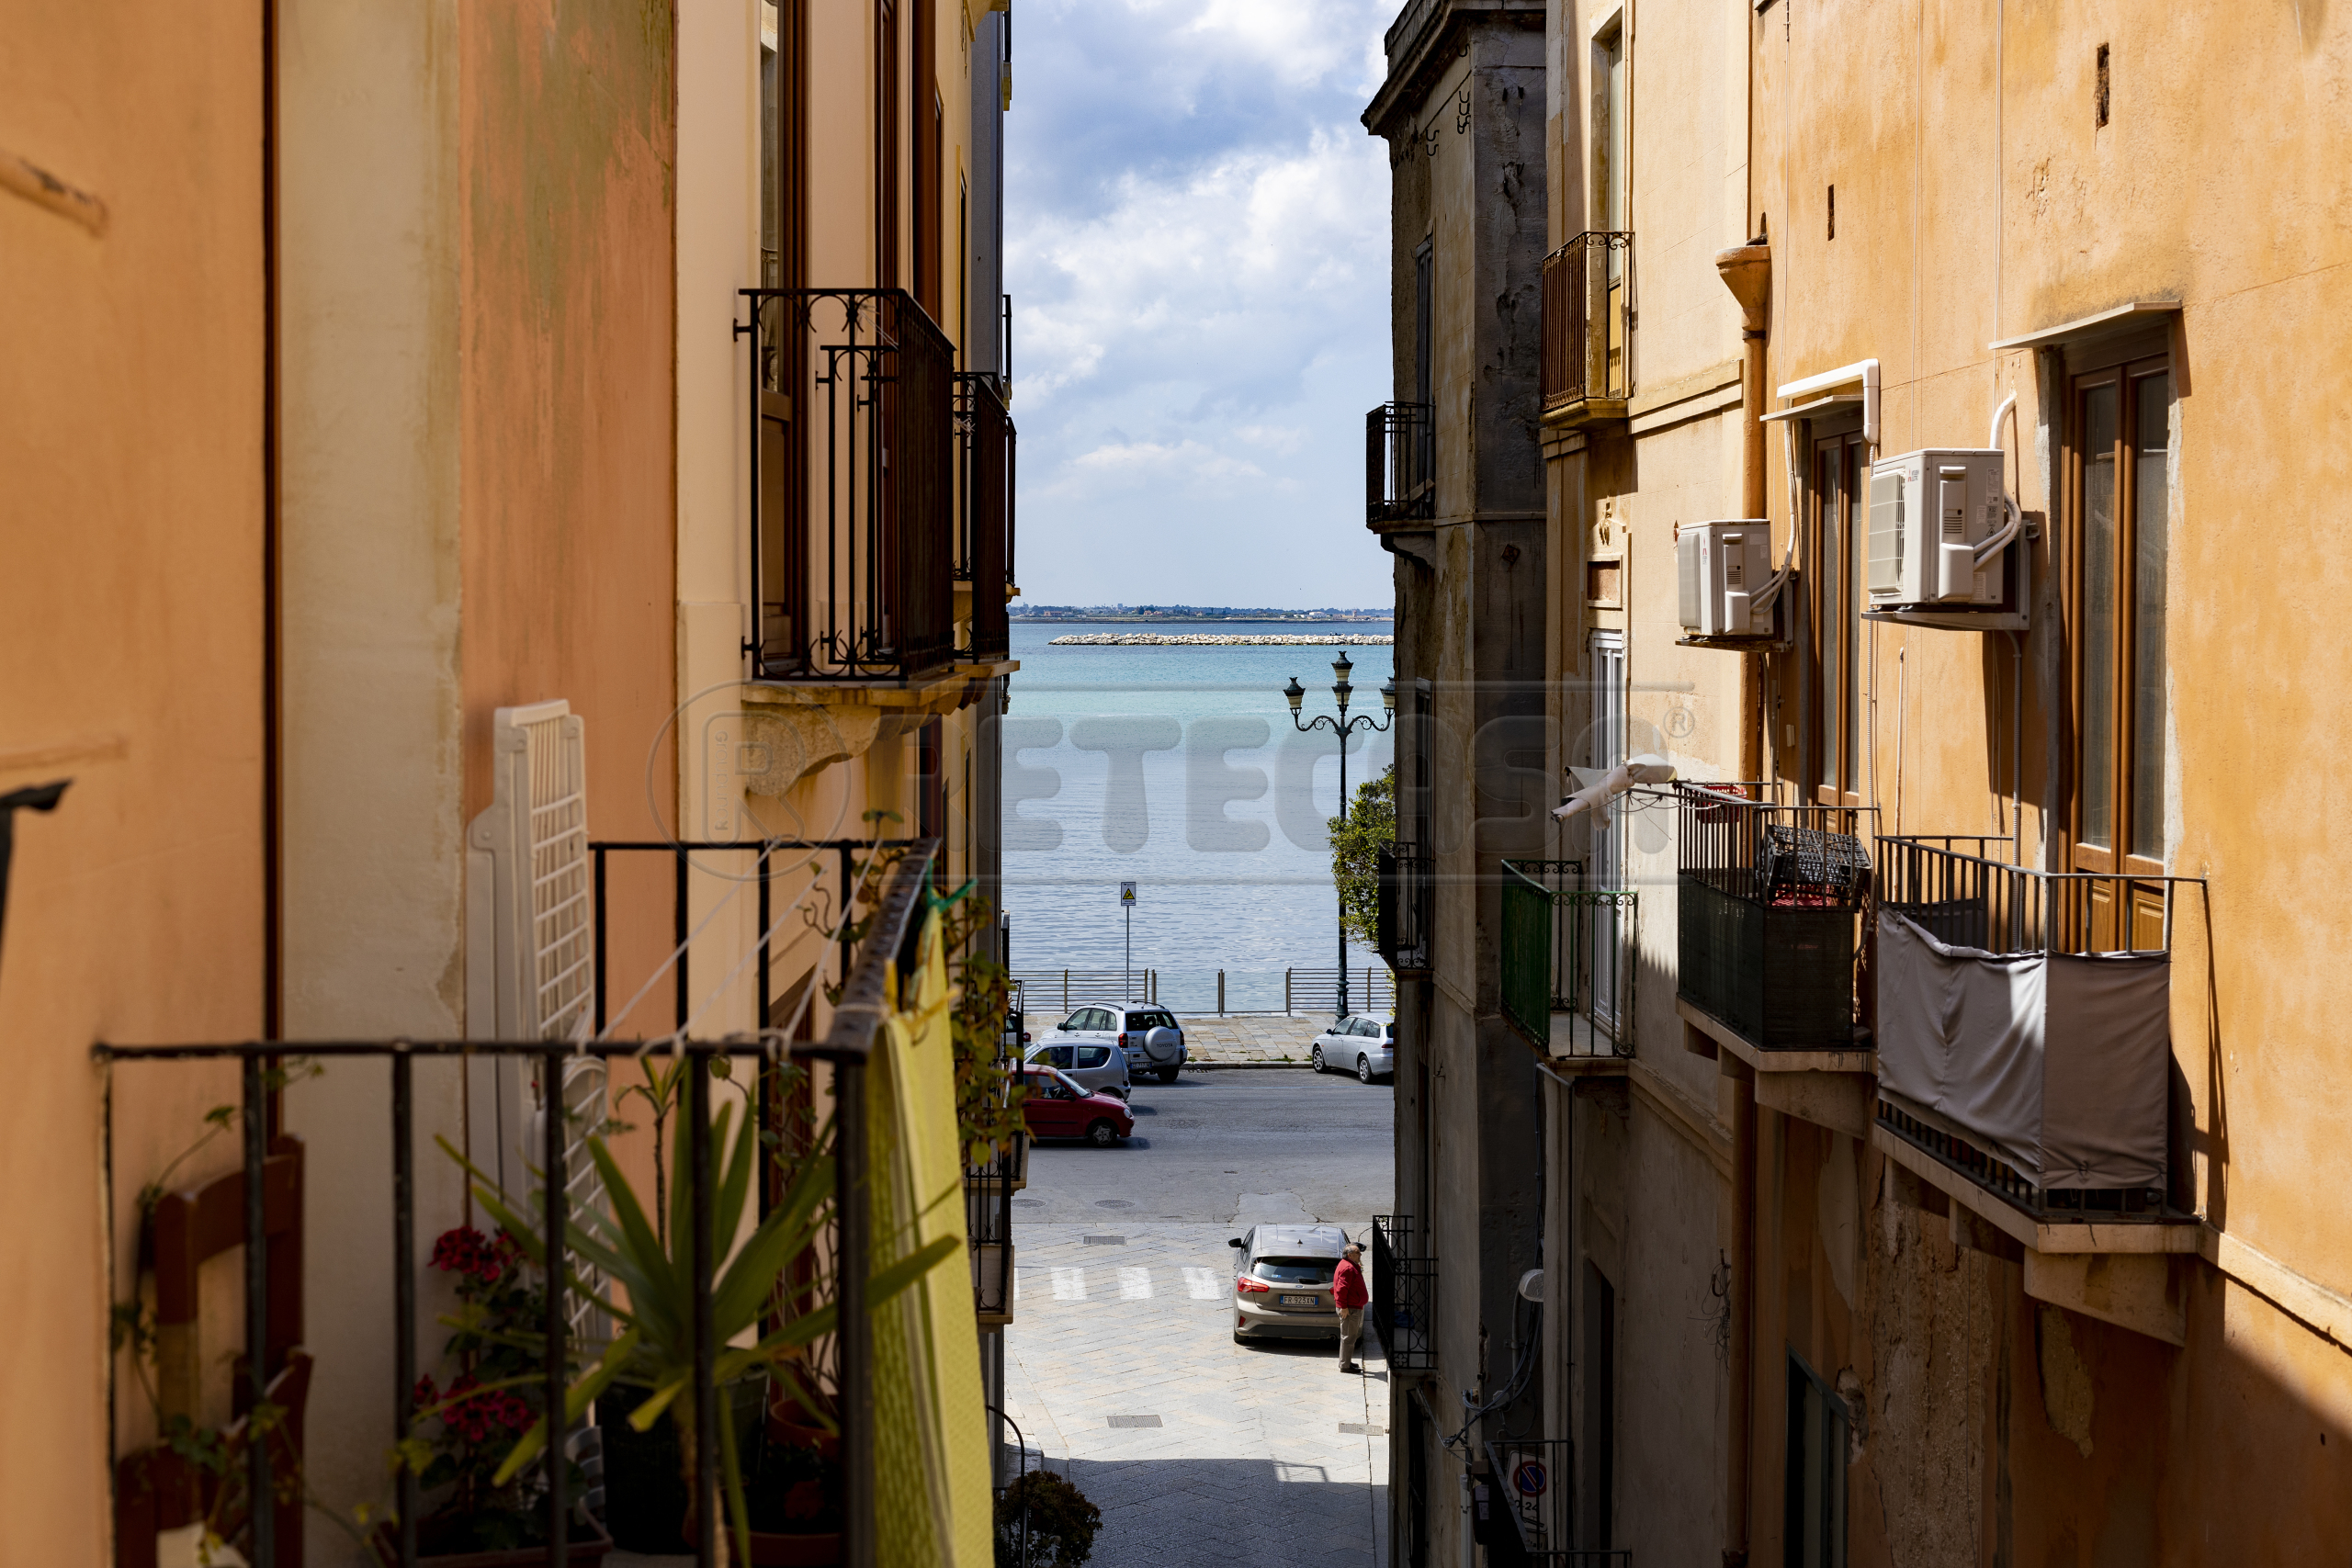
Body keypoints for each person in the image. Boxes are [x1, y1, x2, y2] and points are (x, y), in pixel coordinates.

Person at [1333, 1241, 1369, 1373]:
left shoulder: (1349, 1265)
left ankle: (1346, 1361)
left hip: (1353, 1307)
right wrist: (1344, 1307)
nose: (1360, 1255)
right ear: (1349, 1255)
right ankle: (1345, 1365)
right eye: (1357, 1253)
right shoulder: (1348, 1268)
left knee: (1350, 1337)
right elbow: (1342, 1289)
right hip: (1350, 1308)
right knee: (1348, 1337)